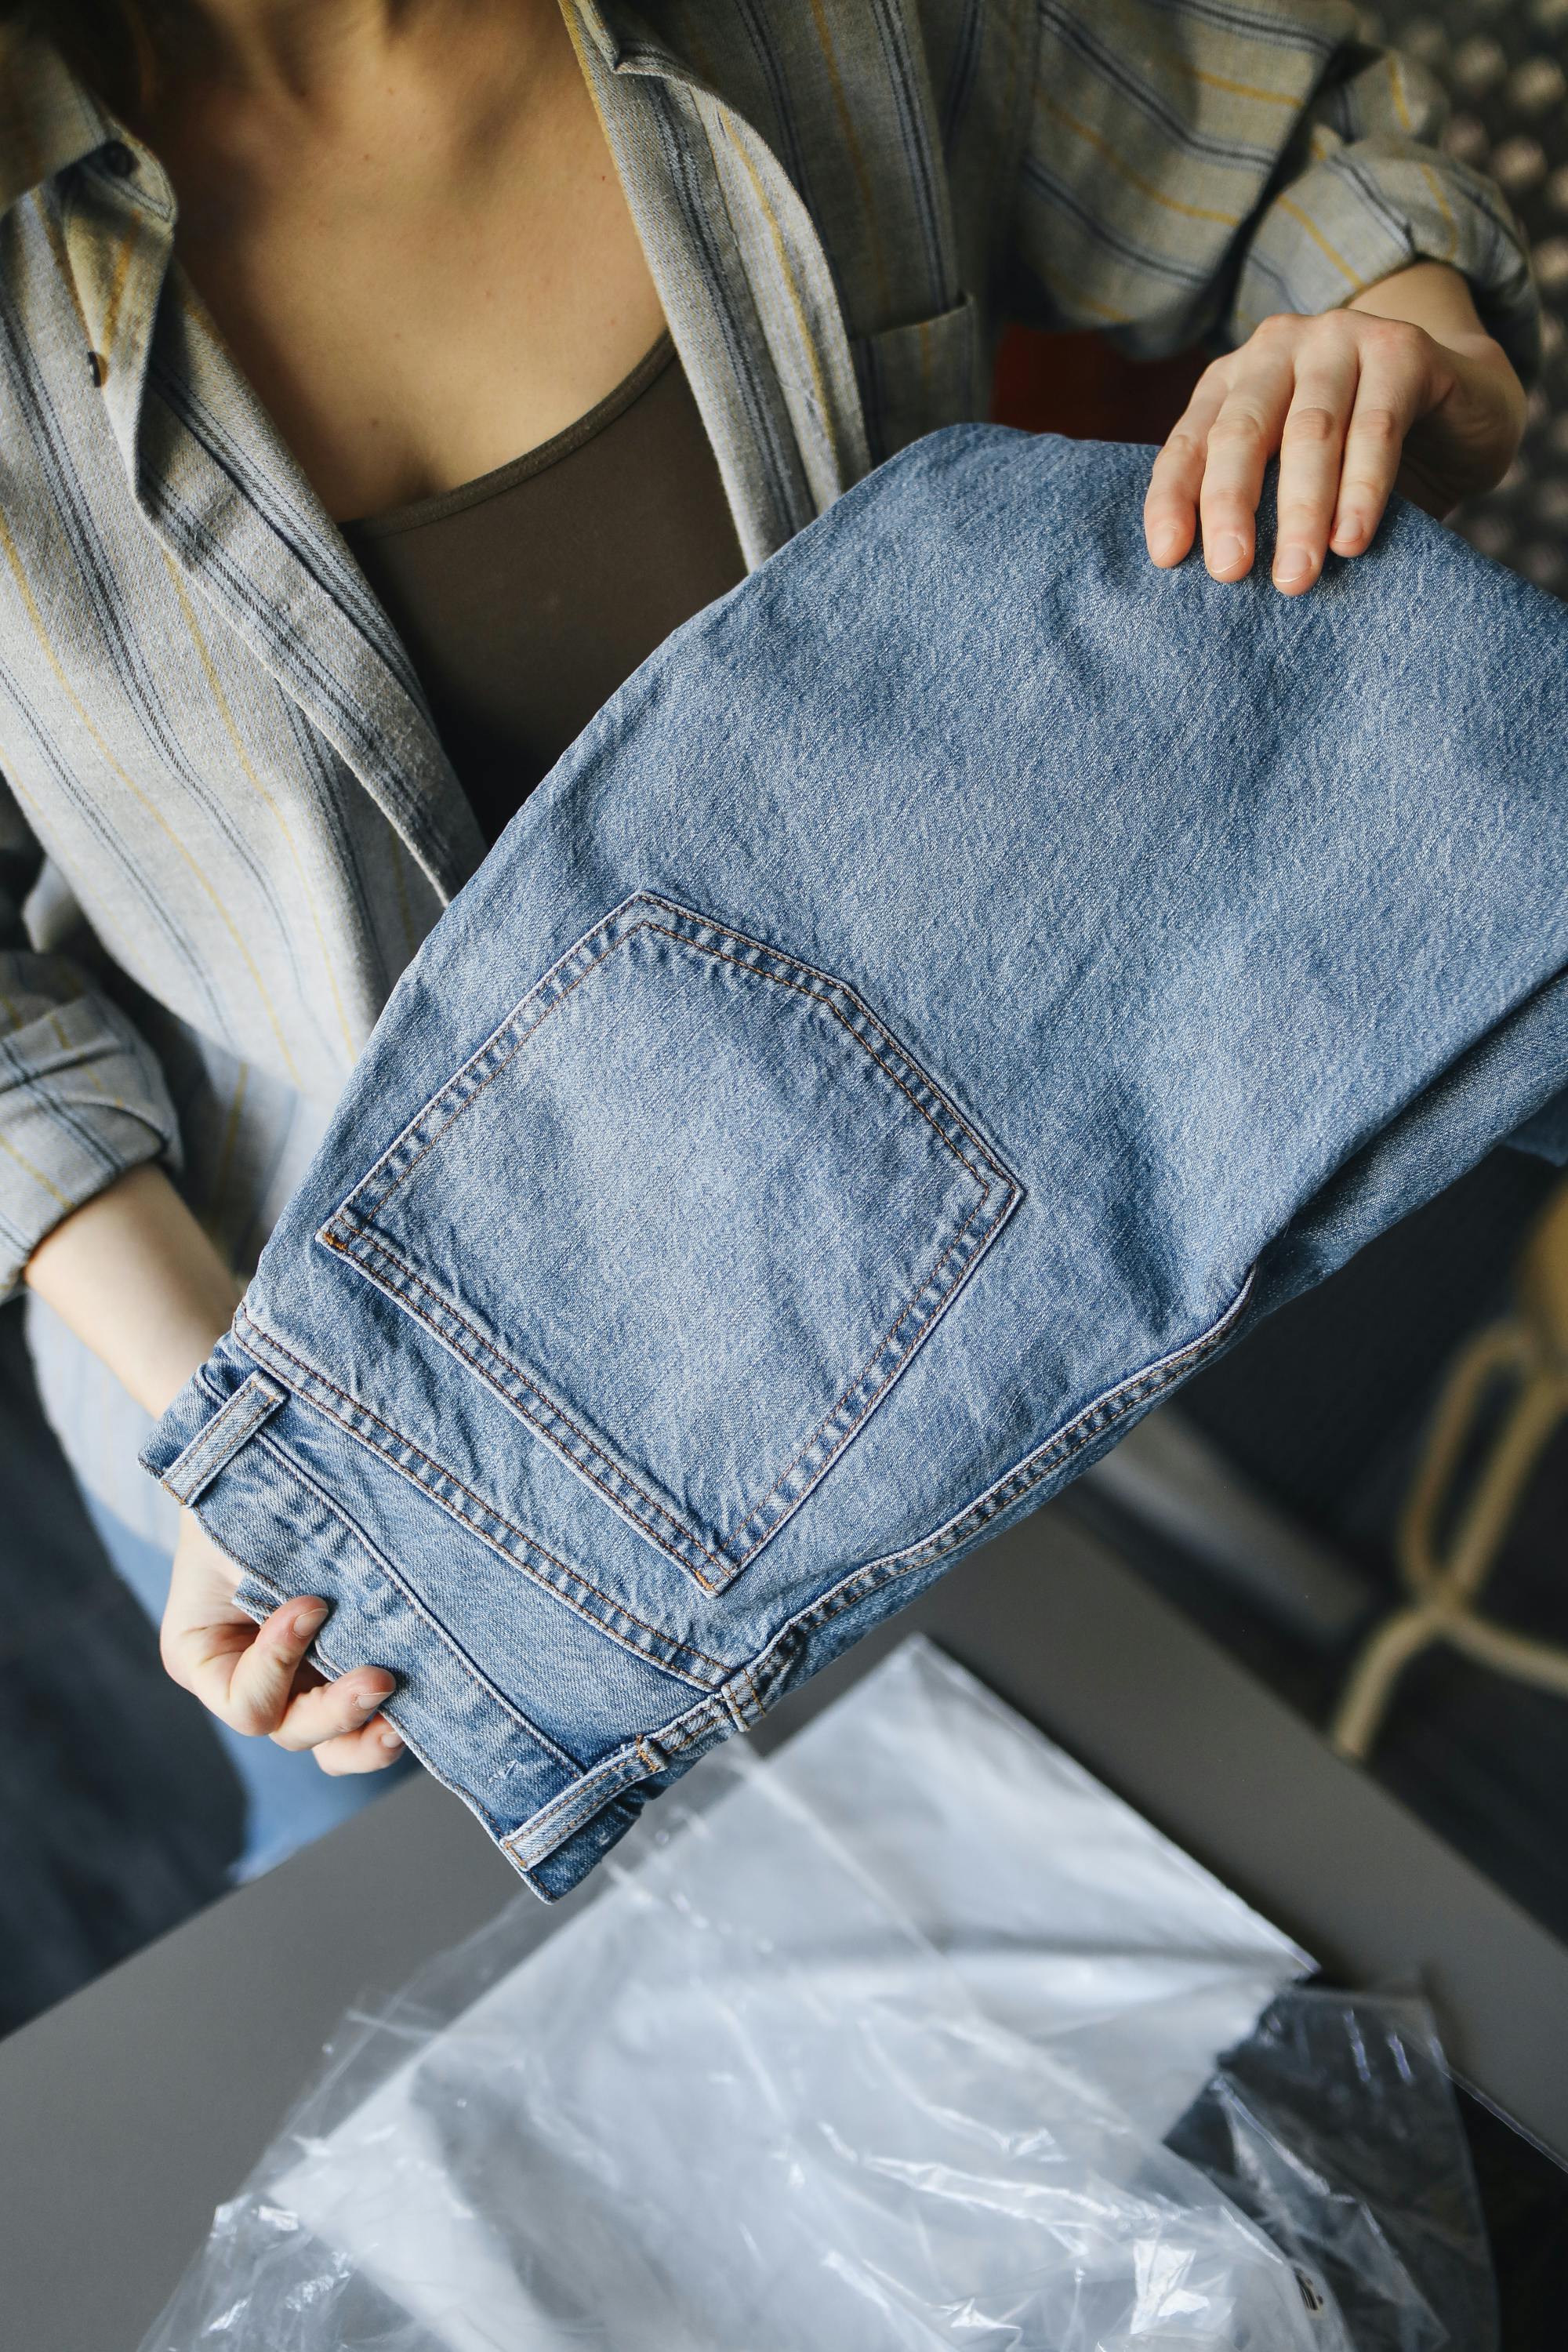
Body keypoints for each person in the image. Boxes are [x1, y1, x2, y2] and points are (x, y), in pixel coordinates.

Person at [5, 0, 1536, 1874]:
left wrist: (1391, 336)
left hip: (965, 1285)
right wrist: (247, 1430)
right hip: (326, 1466)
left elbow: (1293, 133)